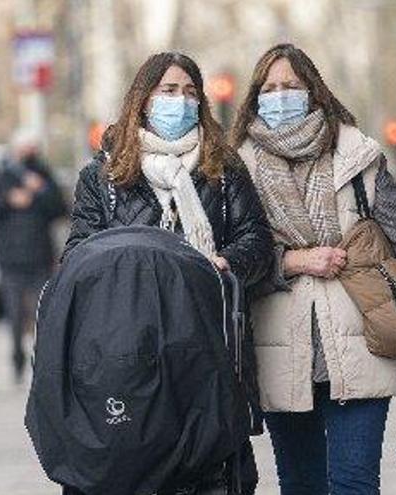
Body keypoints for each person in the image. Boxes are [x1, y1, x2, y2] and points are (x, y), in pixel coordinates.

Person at [229, 43, 396, 495]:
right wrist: (293, 261)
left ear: (315, 92)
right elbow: (233, 256)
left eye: (292, 86)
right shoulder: (239, 167)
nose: (281, 96)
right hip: (279, 345)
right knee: (300, 483)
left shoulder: (357, 157)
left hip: (362, 338)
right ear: (256, 97)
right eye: (271, 87)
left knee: (355, 482)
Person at [63, 51, 274, 495]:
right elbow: (79, 257)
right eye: (169, 91)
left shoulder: (224, 169)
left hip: (208, 349)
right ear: (143, 99)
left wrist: (224, 262)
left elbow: (256, 241)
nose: (181, 101)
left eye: (190, 93)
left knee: (210, 470)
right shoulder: (101, 178)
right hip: (129, 354)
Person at [0, 130, 67, 382]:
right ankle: (17, 360)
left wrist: (41, 192)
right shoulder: (3, 177)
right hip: (10, 261)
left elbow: (61, 209)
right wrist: (8, 199)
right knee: (14, 316)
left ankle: (44, 364)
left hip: (40, 258)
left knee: (43, 315)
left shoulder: (44, 175)